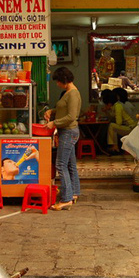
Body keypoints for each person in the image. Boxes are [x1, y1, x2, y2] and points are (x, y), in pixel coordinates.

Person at [44, 66, 81, 211]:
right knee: (70, 165)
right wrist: (51, 111)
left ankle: (66, 199)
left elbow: (71, 116)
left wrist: (54, 123)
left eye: (58, 81)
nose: (57, 84)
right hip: (67, 131)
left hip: (68, 132)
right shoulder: (68, 92)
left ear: (64, 80)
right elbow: (63, 110)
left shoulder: (72, 94)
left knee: (60, 165)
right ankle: (74, 193)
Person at [102, 88, 136, 154]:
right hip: (129, 127)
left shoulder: (118, 107)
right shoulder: (116, 105)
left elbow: (118, 122)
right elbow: (112, 117)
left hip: (131, 127)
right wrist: (107, 111)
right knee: (112, 126)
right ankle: (114, 146)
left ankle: (115, 146)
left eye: (106, 104)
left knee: (111, 126)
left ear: (109, 104)